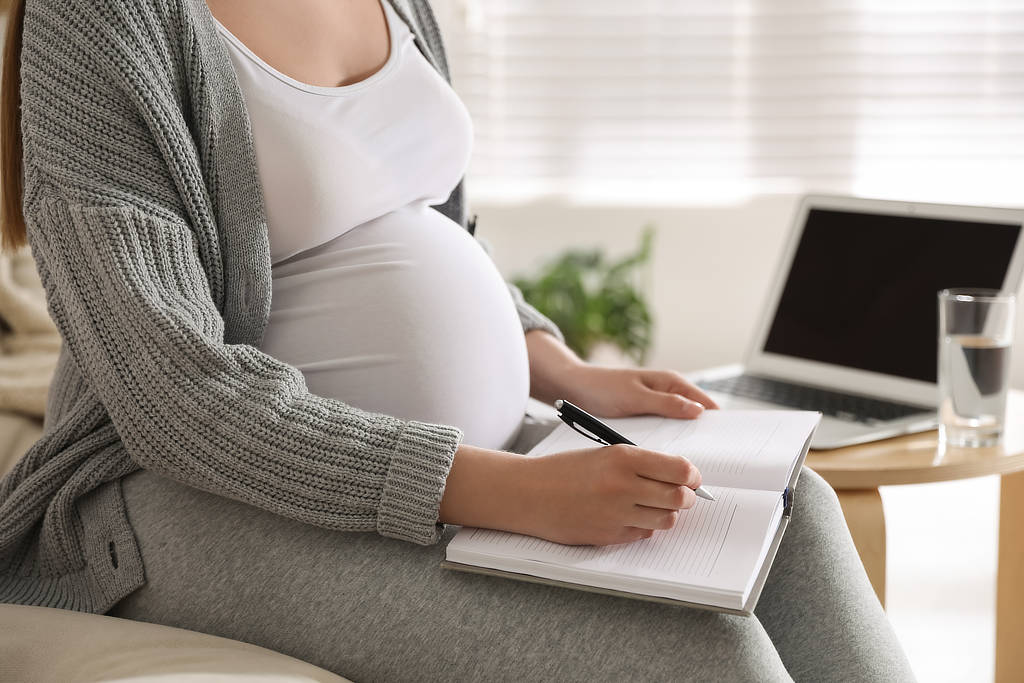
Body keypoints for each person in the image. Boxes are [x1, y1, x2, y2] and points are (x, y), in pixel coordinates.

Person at [0, 0, 916, 680]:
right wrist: (504, 492)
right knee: (707, 657)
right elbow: (172, 397)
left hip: (463, 458)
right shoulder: (103, 17)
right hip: (177, 495)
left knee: (798, 506)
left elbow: (414, 217)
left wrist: (559, 368)